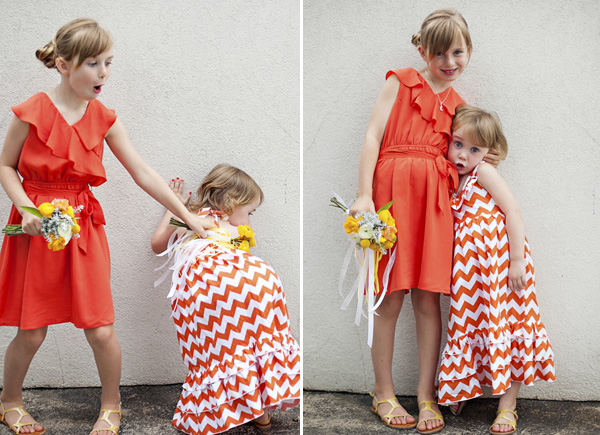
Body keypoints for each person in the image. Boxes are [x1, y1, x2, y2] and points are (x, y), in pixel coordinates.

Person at [0, 18, 213, 435]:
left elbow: (143, 173)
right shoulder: (31, 112)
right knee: (32, 332)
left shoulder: (106, 119)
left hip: (84, 226)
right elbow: (5, 166)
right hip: (37, 229)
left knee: (100, 328)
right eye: (93, 63)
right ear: (63, 65)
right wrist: (26, 209)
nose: (103, 73)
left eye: (108, 62)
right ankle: (9, 402)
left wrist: (187, 217)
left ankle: (111, 407)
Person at [347, 8, 503, 434]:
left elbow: (475, 156)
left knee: (428, 298)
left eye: (458, 52)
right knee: (391, 296)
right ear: (421, 50)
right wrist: (364, 195)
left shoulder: (459, 107)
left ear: (469, 51)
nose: (449, 62)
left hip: (435, 202)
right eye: (439, 53)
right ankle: (383, 391)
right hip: (393, 197)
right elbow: (373, 137)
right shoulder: (399, 82)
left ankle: (427, 393)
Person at [151, 164, 300, 435]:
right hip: (254, 285)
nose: (250, 220)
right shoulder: (208, 220)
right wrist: (176, 208)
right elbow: (160, 246)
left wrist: (173, 210)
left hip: (210, 291)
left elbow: (159, 244)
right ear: (233, 202)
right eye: (250, 212)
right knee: (250, 346)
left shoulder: (192, 216)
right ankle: (259, 409)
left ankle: (223, 409)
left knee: (219, 352)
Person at [438, 105, 555, 435]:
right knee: (470, 323)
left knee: (509, 323)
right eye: (458, 144)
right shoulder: (450, 179)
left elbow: (512, 211)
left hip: (502, 267)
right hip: (471, 274)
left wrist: (516, 259)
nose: (463, 155)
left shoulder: (482, 174)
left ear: (489, 153)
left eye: (474, 149)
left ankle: (508, 405)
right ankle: (461, 387)